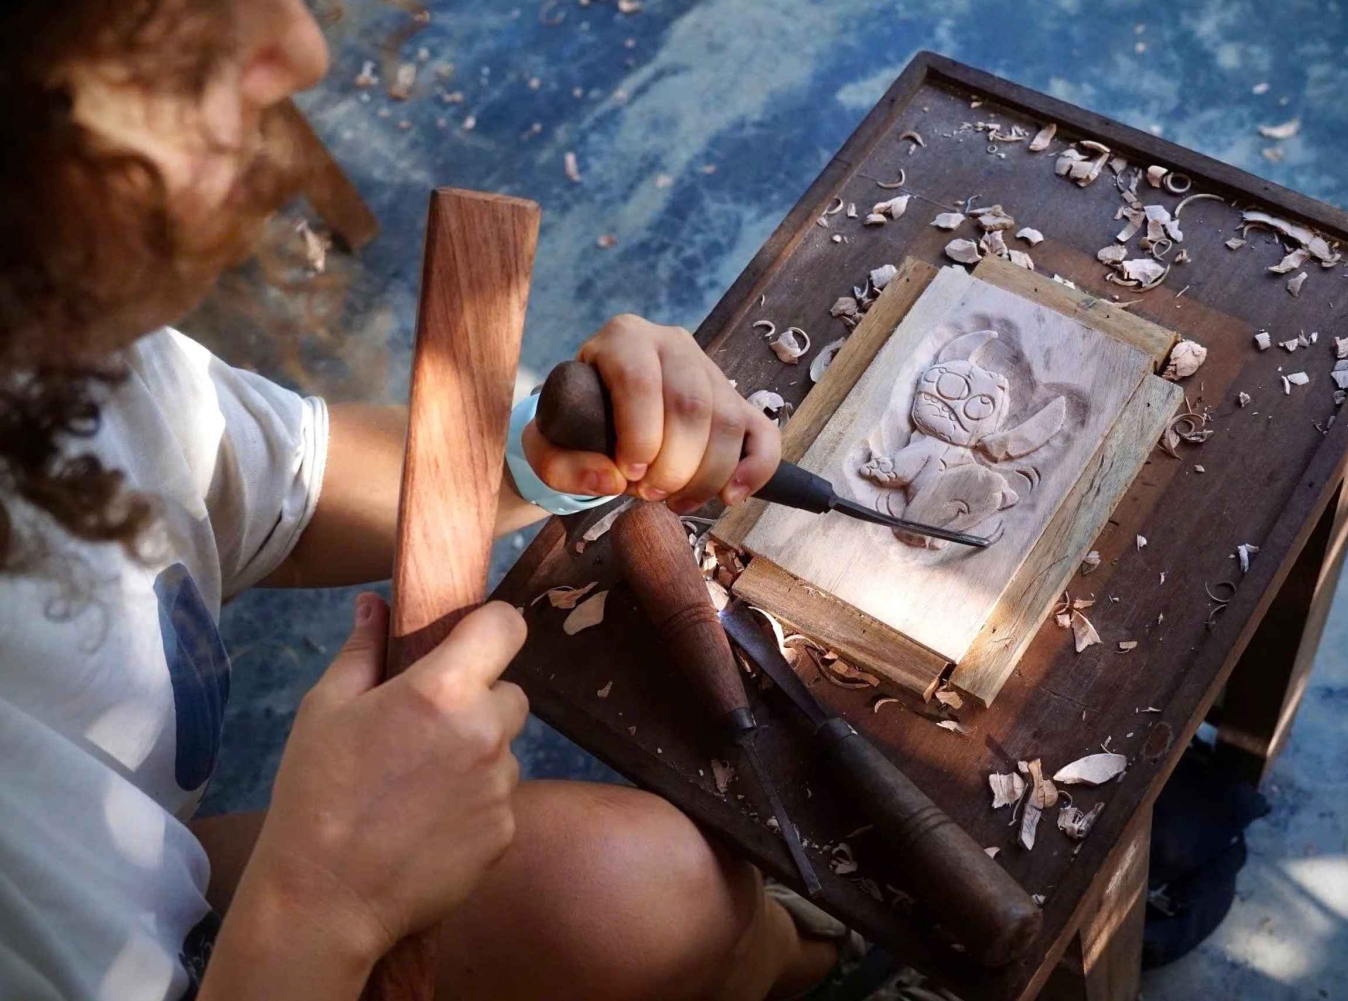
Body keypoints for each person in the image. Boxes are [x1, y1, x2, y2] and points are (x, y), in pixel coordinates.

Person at [0, 1, 846, 998]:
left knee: (652, 897)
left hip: (146, 886)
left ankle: (808, 959)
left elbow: (289, 494)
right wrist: (319, 909)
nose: (303, 50)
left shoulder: (48, 350)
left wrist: (535, 457)